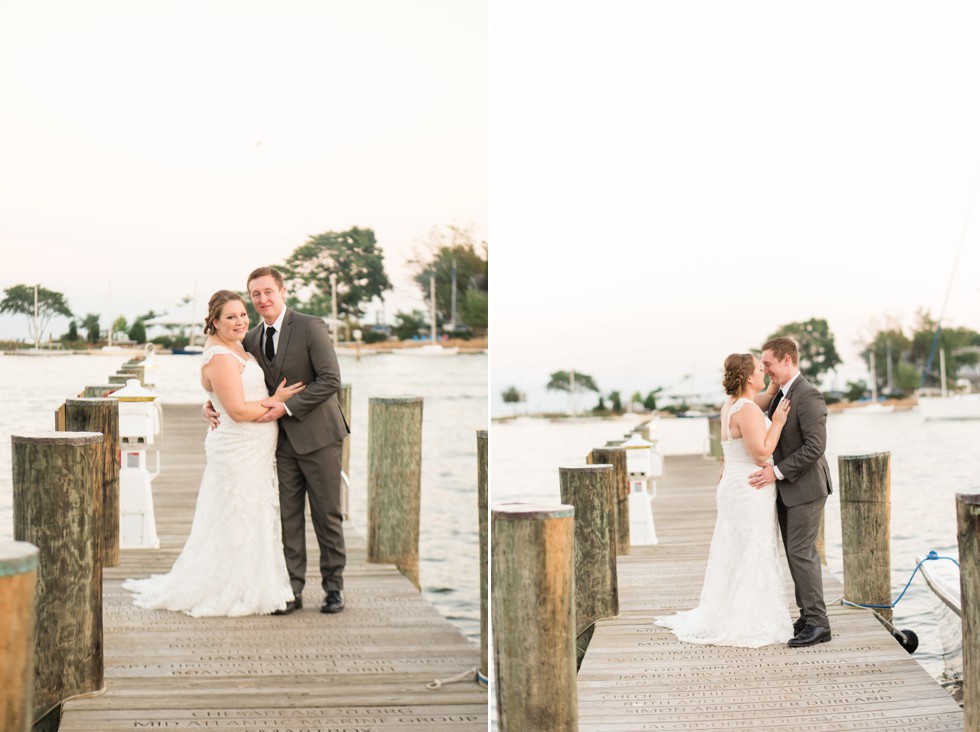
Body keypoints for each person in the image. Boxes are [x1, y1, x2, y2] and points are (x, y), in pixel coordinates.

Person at [123, 290, 304, 616]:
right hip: (239, 447)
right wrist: (276, 399)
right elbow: (235, 410)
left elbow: (225, 396)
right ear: (215, 322)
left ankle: (258, 581)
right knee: (238, 513)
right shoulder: (220, 356)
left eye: (242, 314)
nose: (240, 321)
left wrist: (210, 403)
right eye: (231, 317)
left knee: (252, 513)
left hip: (254, 447)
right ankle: (234, 586)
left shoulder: (236, 346)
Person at [206, 266, 350, 615]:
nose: (262, 299)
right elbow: (231, 379)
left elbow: (330, 380)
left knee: (327, 516)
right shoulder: (250, 338)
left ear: (282, 291)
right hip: (278, 444)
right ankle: (292, 590)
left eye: (268, 291)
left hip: (319, 438)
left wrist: (285, 407)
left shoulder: (310, 326)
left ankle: (334, 589)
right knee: (287, 518)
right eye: (255, 294)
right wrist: (210, 404)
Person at [656, 353, 793, 647]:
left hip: (733, 485)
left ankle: (729, 608)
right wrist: (779, 421)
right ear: (748, 378)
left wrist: (772, 389)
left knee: (736, 548)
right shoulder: (749, 411)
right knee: (751, 549)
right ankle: (747, 617)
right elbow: (760, 452)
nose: (765, 372)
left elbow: (742, 434)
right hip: (750, 488)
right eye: (760, 369)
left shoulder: (730, 405)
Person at [750, 336, 834, 647]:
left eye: (769, 363)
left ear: (788, 360)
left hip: (806, 488)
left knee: (802, 553)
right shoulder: (780, 394)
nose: (765, 369)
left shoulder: (808, 395)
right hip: (787, 489)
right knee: (795, 554)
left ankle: (818, 623)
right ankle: (807, 615)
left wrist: (777, 471)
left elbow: (815, 446)